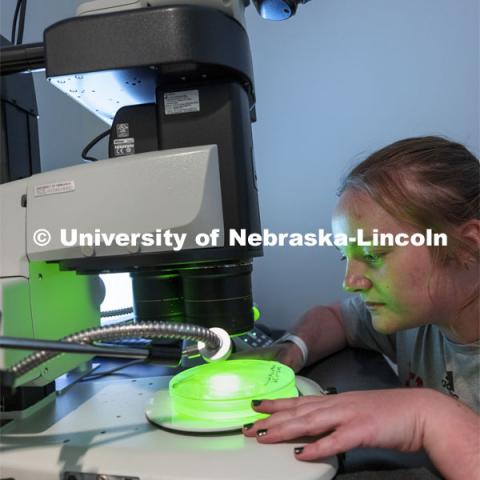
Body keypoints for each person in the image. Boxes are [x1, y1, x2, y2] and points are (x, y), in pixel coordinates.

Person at [242, 136, 480, 480]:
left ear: (467, 246)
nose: (350, 281)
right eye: (346, 257)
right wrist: (294, 349)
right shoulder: (417, 316)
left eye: (373, 255)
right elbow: (337, 317)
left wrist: (428, 415)